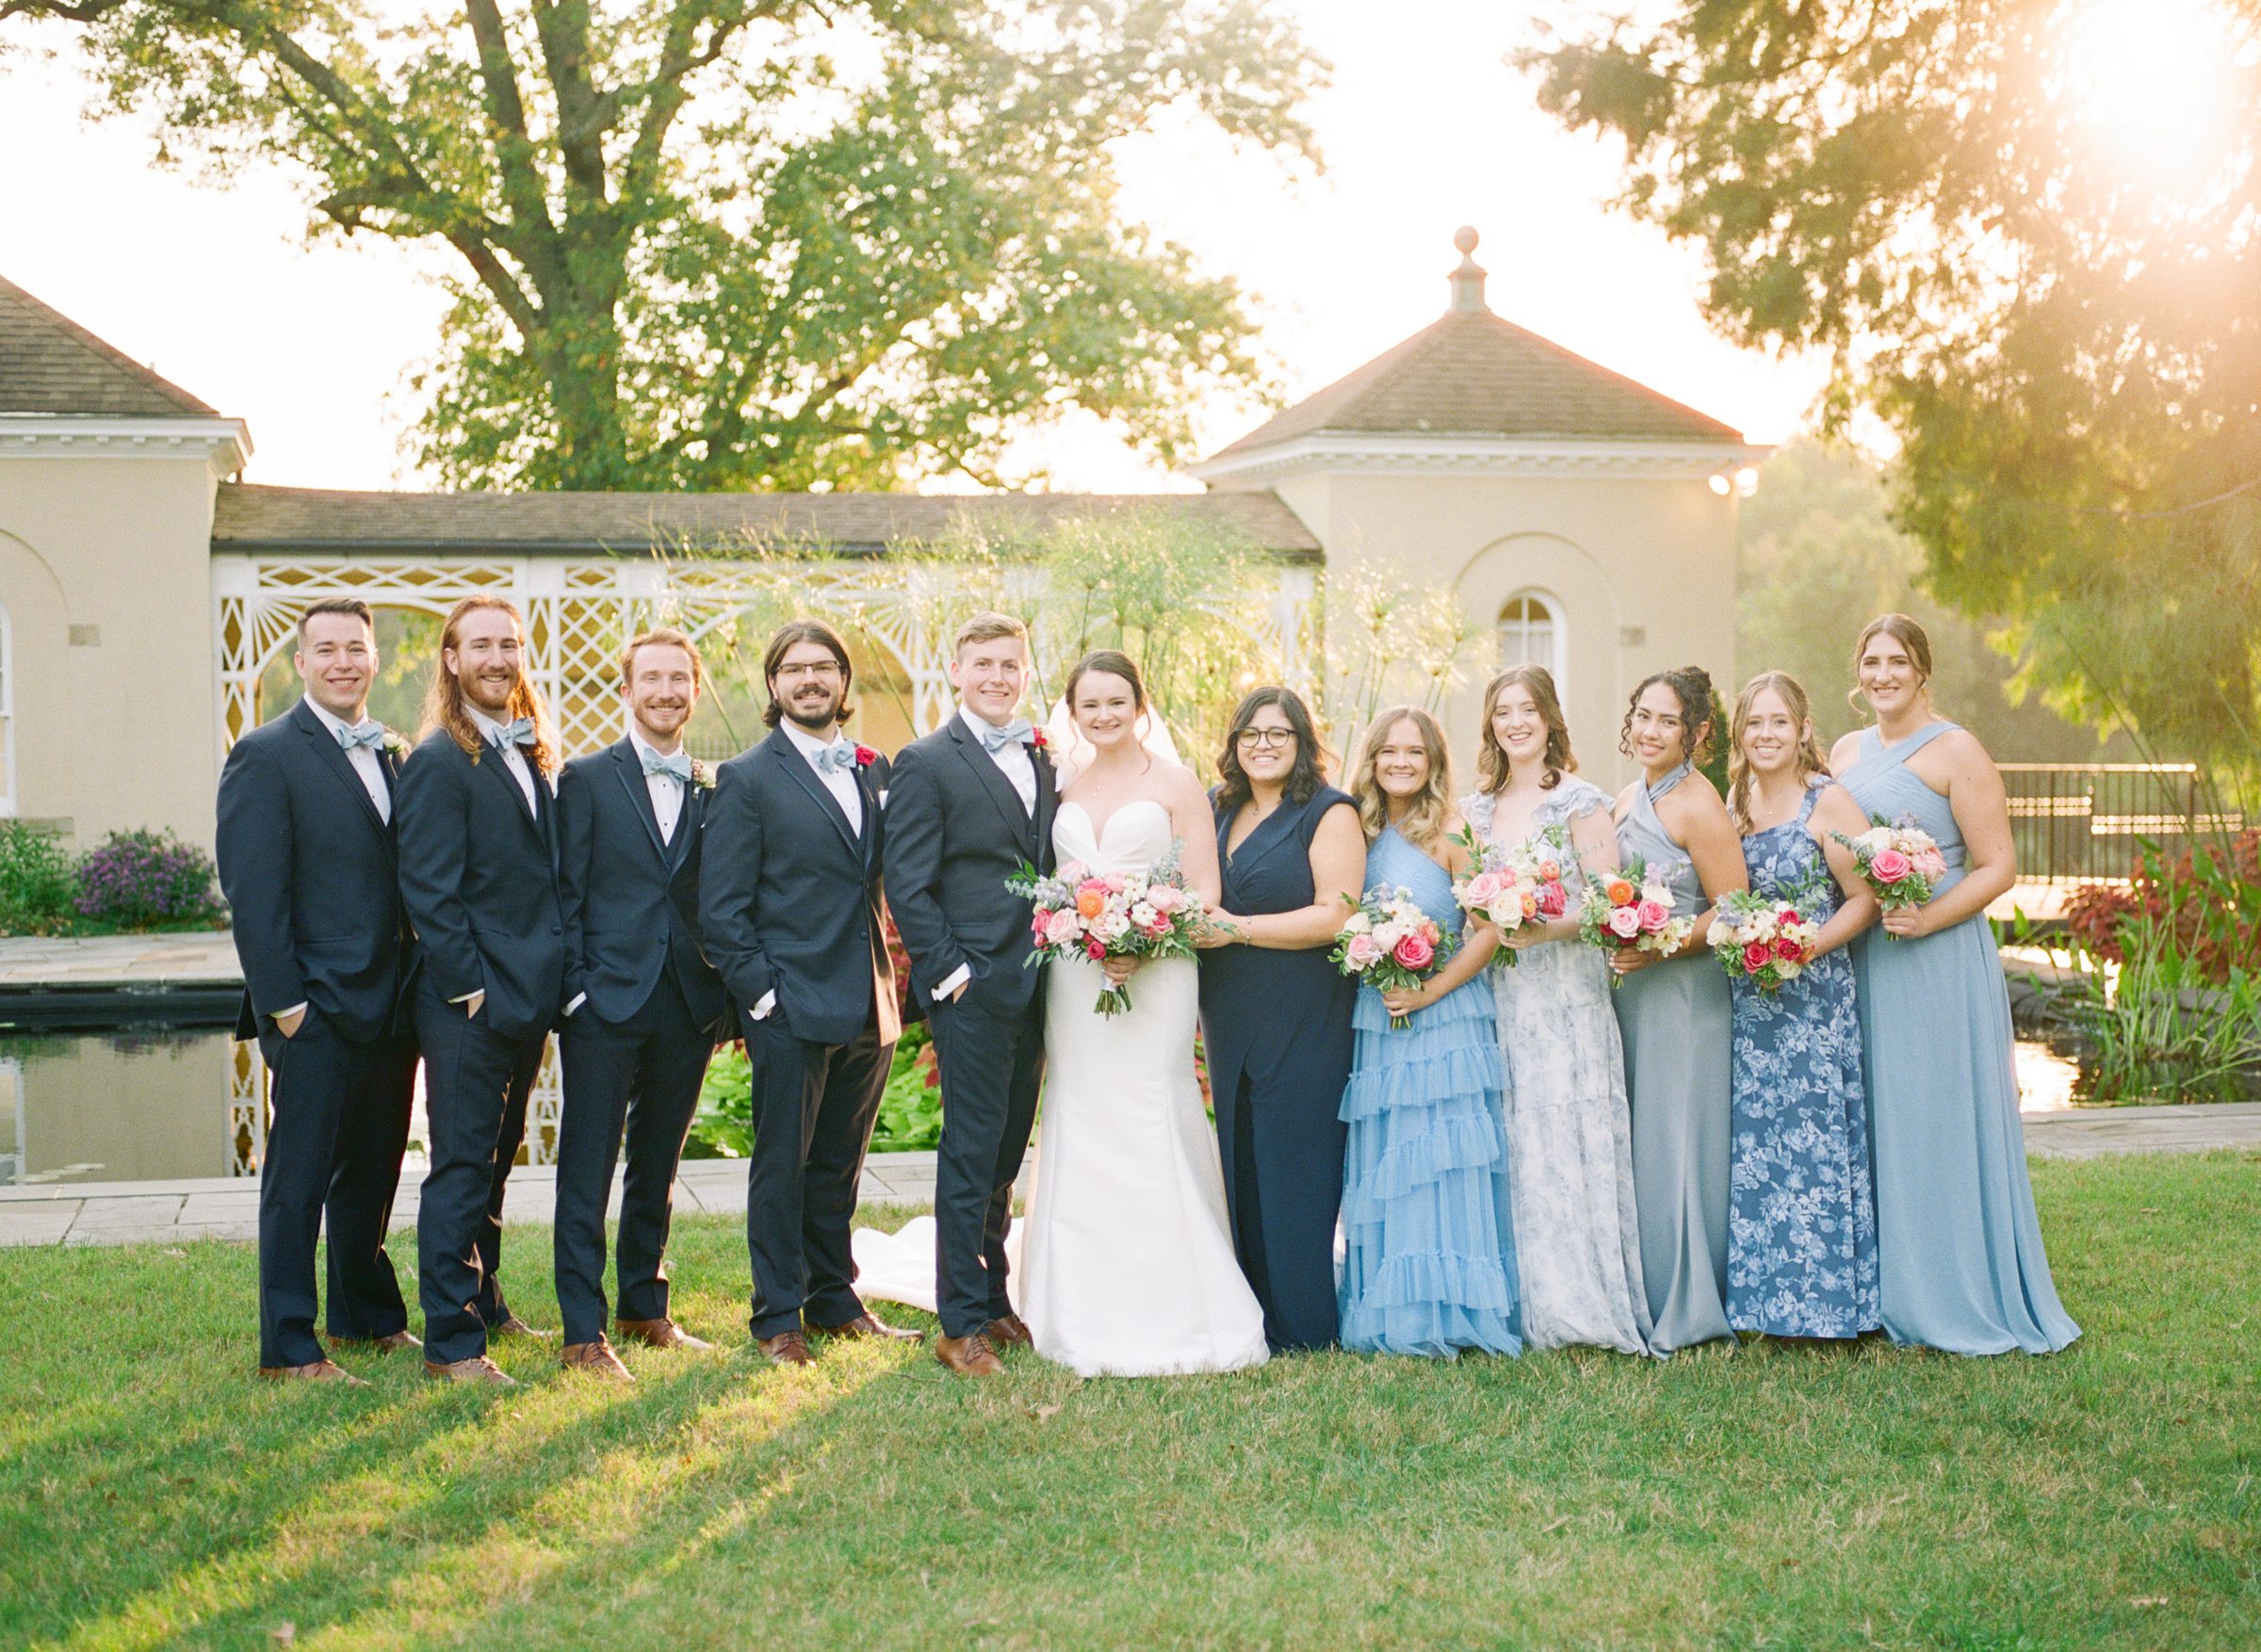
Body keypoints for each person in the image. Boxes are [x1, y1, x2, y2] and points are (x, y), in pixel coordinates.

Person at [1014, 651, 1268, 1376]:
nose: (1103, 716)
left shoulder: (1177, 782)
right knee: (1082, 1107)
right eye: (1089, 704)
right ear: (1073, 709)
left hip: (1160, 972)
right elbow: (1052, 881)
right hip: (1073, 974)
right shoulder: (1061, 782)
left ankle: (1183, 1299)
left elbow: (1204, 889)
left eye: (1116, 702)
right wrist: (1085, 932)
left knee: (1153, 1103)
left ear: (1139, 704)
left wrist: (1144, 940)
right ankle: (1074, 1300)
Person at [1832, 614, 2080, 1355]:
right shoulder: (1844, 752)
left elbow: (1998, 864)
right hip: (1866, 955)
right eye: (1871, 661)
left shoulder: (1957, 749)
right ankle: (1878, 1291)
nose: (1883, 675)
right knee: (1876, 1116)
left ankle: (1949, 1289)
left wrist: (1929, 918)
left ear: (1923, 672)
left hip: (1935, 957)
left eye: (1897, 662)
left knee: (1933, 1116)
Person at [701, 619, 918, 1367]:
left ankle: (832, 1297)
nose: (810, 680)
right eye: (794, 669)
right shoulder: (747, 778)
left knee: (837, 1166)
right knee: (782, 1165)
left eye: (823, 667)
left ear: (843, 682)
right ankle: (777, 1318)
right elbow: (721, 907)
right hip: (790, 1004)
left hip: (868, 999)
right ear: (773, 685)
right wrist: (763, 997)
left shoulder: (873, 768)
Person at [215, 597, 418, 1385]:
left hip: (393, 1001)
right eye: (325, 649)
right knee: (298, 1182)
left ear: (374, 659)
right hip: (315, 1006)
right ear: (300, 663)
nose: (342, 661)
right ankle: (290, 1345)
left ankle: (365, 1315)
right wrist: (286, 1005)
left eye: (356, 648)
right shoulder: (266, 754)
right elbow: (254, 893)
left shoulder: (394, 753)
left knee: (373, 1168)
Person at [395, 595, 568, 1386]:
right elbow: (428, 890)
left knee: (495, 1164)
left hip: (526, 994)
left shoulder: (526, 752)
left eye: (510, 645)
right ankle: (452, 1344)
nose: (498, 658)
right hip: (470, 1003)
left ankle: (486, 1298)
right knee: (460, 1167)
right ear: (453, 660)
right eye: (481, 646)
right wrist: (469, 991)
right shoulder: (438, 759)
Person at [882, 612, 1059, 1376]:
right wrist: (952, 975)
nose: (997, 677)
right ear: (957, 672)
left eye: (1010, 665)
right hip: (971, 991)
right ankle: (958, 1324)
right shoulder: (924, 762)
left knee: (1004, 1157)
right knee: (969, 1154)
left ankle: (994, 1299)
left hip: (1039, 987)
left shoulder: (1044, 759)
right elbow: (907, 884)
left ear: (1025, 673)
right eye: (982, 663)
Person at [551, 627, 730, 1382]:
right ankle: (583, 1330)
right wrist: (577, 989)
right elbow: (562, 890)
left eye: (678, 680)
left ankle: (644, 1307)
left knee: (657, 1163)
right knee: (587, 1168)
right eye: (650, 679)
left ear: (694, 689)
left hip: (685, 1001)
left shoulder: (713, 782)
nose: (664, 692)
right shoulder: (587, 778)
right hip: (605, 1000)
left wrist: (720, 995)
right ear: (626, 690)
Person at [1465, 666, 1653, 1355]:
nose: (1515, 722)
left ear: (1549, 718)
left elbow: (1611, 901)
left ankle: (1580, 1303)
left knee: (1565, 1133)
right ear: (1491, 723)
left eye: (1527, 710)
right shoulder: (1478, 807)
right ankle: (1517, 1300)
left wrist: (1545, 926)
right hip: (1503, 992)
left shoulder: (1580, 801)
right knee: (1514, 1136)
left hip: (1567, 995)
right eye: (1502, 711)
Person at [1335, 708, 1521, 1360]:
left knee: (1439, 1163)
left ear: (1434, 761)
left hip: (1443, 1015)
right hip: (1380, 1014)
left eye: (1414, 752)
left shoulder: (1450, 830)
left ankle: (1447, 1310)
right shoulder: (1356, 827)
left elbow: (1490, 929)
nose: (1401, 762)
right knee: (1391, 1163)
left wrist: (1430, 989)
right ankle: (1392, 1305)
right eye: (1389, 751)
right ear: (1373, 759)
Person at [1196, 687, 1362, 1352]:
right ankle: (1252, 1317)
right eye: (1251, 734)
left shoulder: (1328, 812)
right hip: (1229, 1011)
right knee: (1242, 1160)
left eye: (1279, 733)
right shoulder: (1215, 810)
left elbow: (1338, 914)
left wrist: (1239, 929)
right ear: (1234, 744)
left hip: (1304, 1008)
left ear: (1302, 743)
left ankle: (1304, 1327)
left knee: (1295, 1162)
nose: (1263, 745)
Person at [1724, 672, 1880, 1340]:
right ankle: (1761, 1303)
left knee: (1814, 1142)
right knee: (1759, 1145)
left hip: (1813, 995)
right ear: (1740, 733)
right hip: (1750, 1001)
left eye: (1778, 723)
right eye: (1754, 723)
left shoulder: (1829, 801)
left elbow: (1866, 899)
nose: (1766, 735)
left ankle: (1828, 1304)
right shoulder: (1735, 801)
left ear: (1803, 730)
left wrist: (1806, 949)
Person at [1608, 668, 1747, 1352]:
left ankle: (1686, 1299)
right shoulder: (1629, 794)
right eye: (1642, 715)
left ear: (1695, 734)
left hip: (1684, 995)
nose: (1649, 730)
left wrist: (1659, 948)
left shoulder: (1698, 802)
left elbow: (1734, 910)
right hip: (1633, 991)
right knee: (1643, 1139)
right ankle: (1641, 1289)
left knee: (1678, 1141)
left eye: (1666, 721)